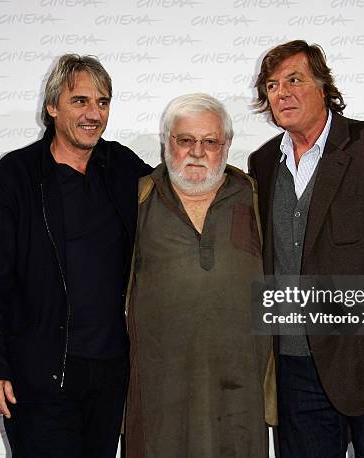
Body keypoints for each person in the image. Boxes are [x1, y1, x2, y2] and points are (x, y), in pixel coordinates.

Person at [248, 40, 364, 457]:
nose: (282, 93)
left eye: (294, 80)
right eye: (273, 85)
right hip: (294, 373)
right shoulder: (262, 163)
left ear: (323, 86)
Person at [0, 54, 152, 457]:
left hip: (111, 373)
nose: (94, 114)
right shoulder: (15, 176)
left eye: (102, 102)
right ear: (52, 107)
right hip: (38, 375)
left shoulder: (123, 167)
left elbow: (177, 208)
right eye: (80, 101)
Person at [124, 93, 276, 458]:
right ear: (166, 142)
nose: (197, 152)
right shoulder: (136, 199)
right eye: (185, 140)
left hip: (241, 397)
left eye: (210, 142)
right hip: (158, 397)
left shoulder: (256, 196)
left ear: (227, 146)